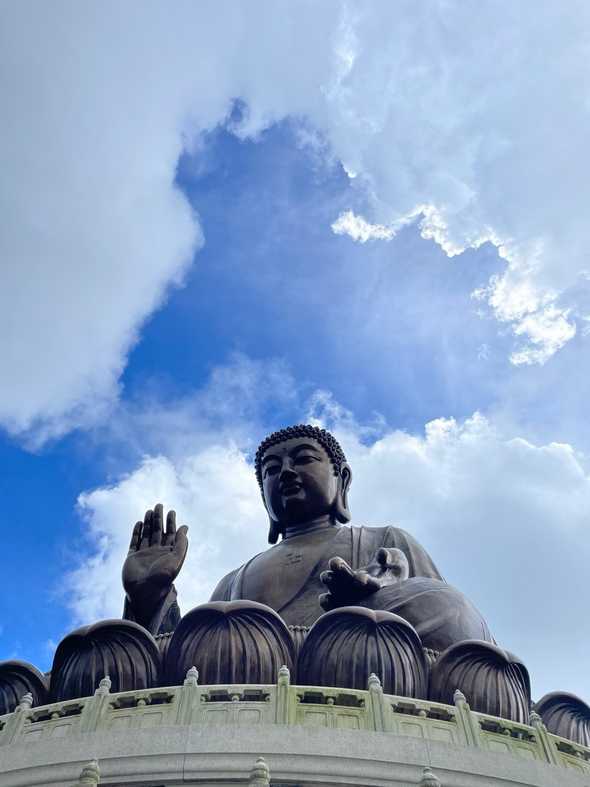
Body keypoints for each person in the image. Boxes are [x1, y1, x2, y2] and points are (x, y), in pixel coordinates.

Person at [122, 424, 492, 652]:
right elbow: (184, 656)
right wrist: (150, 598)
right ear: (263, 498)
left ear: (341, 481)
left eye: (302, 459)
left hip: (358, 657)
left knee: (446, 603)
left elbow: (450, 628)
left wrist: (370, 601)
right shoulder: (234, 579)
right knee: (213, 630)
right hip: (251, 670)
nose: (285, 473)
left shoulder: (384, 538)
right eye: (271, 469)